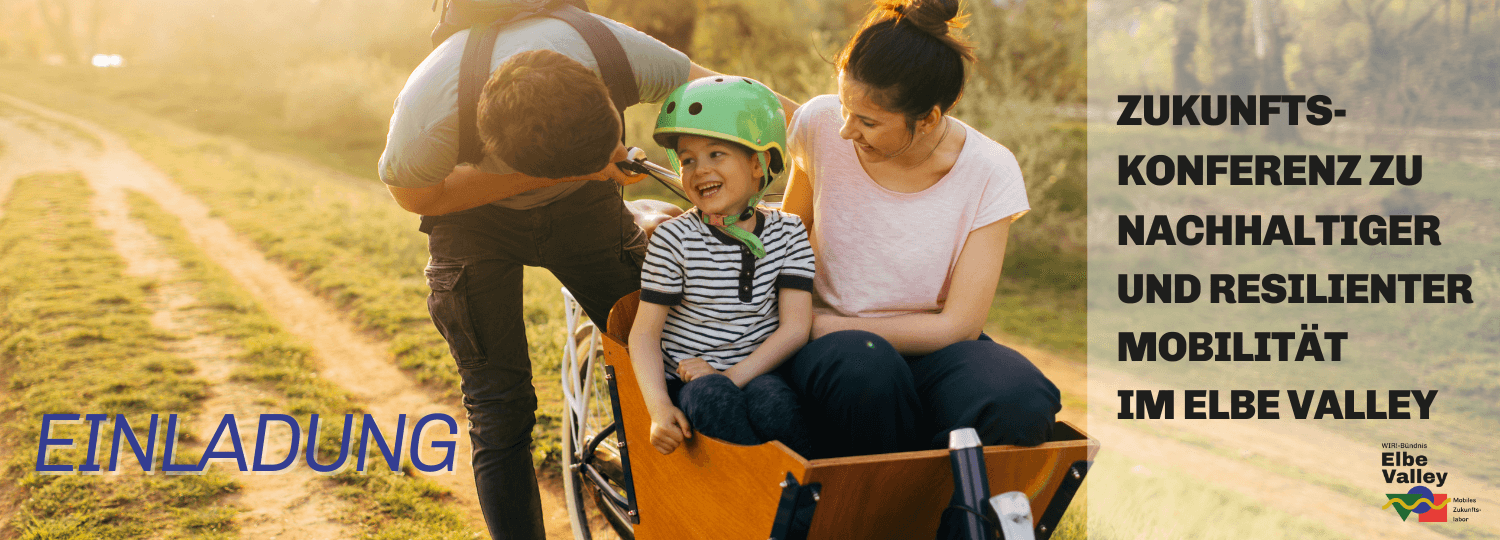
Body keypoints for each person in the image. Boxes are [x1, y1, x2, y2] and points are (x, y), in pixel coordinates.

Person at [377, 13, 779, 539]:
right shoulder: (429, 108)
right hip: (468, 222)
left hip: (581, 205)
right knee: (500, 409)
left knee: (679, 354)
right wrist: (574, 170)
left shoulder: (607, 48)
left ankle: (688, 519)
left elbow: (740, 102)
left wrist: (823, 135)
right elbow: (417, 197)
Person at [780, 0, 1061, 459]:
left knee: (1021, 396)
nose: (847, 131)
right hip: (836, 352)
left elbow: (958, 325)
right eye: (845, 109)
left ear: (928, 118)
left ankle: (960, 524)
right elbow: (787, 240)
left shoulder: (990, 170)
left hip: (929, 346)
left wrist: (821, 325)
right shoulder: (819, 125)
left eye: (868, 121)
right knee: (866, 370)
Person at [628, 77, 815, 458]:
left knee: (775, 402)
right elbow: (644, 336)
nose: (699, 170)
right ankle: (748, 507)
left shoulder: (789, 232)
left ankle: (808, 503)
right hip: (691, 383)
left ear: (759, 163)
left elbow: (796, 327)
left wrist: (732, 376)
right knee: (710, 395)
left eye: (716, 154)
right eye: (688, 159)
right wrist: (659, 409)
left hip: (756, 371)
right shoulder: (674, 239)